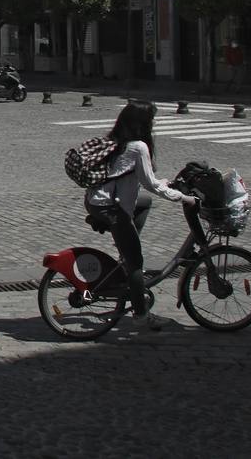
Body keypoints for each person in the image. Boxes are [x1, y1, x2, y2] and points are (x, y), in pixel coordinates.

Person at [84, 100, 198, 331]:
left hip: (97, 201)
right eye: (152, 120)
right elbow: (151, 184)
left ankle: (126, 248)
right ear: (143, 123)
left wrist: (164, 184)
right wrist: (183, 198)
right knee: (136, 263)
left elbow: (141, 182)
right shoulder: (138, 146)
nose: (154, 124)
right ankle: (141, 315)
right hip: (110, 207)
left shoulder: (118, 139)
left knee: (144, 203)